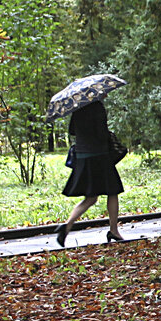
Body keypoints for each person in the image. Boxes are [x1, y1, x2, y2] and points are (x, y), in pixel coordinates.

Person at [55, 99, 124, 246]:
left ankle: (67, 225)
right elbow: (101, 134)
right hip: (99, 155)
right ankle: (113, 230)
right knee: (113, 191)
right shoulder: (97, 106)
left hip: (82, 156)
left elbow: (72, 131)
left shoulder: (78, 107)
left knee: (91, 197)